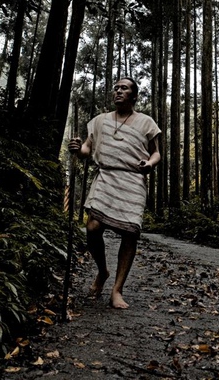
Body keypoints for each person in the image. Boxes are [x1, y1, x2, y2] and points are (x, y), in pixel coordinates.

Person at [68, 77, 161, 309]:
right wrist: (78, 149)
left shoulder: (146, 122)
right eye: (116, 88)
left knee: (129, 235)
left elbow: (157, 153)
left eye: (124, 88)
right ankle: (102, 271)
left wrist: (149, 164)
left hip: (132, 181)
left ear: (134, 95)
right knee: (92, 227)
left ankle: (117, 291)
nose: (118, 91)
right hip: (106, 178)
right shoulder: (100, 121)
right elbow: (87, 150)